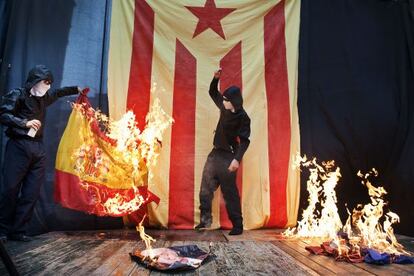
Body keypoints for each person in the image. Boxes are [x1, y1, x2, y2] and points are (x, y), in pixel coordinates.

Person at [0, 65, 82, 242]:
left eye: (50, 83)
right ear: (35, 81)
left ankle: (18, 230)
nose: (48, 86)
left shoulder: (44, 98)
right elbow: (3, 114)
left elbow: (59, 92)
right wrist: (24, 123)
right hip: (18, 147)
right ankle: (3, 231)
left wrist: (76, 89)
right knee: (10, 190)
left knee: (31, 192)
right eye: (46, 82)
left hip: (38, 149)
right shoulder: (18, 94)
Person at [195, 68, 251, 235]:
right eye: (224, 99)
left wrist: (236, 160)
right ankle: (205, 221)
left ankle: (238, 226)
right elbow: (213, 92)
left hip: (228, 158)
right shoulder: (224, 106)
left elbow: (245, 141)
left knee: (229, 193)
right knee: (205, 188)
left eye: (226, 100)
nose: (223, 102)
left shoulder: (243, 118)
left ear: (234, 102)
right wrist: (215, 79)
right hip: (215, 154)